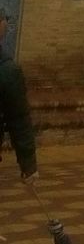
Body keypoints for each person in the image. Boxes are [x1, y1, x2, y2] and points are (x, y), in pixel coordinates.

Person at [0, 10, 38, 185]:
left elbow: (19, 119)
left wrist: (28, 164)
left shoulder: (7, 71)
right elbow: (19, 120)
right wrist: (28, 166)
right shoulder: (8, 71)